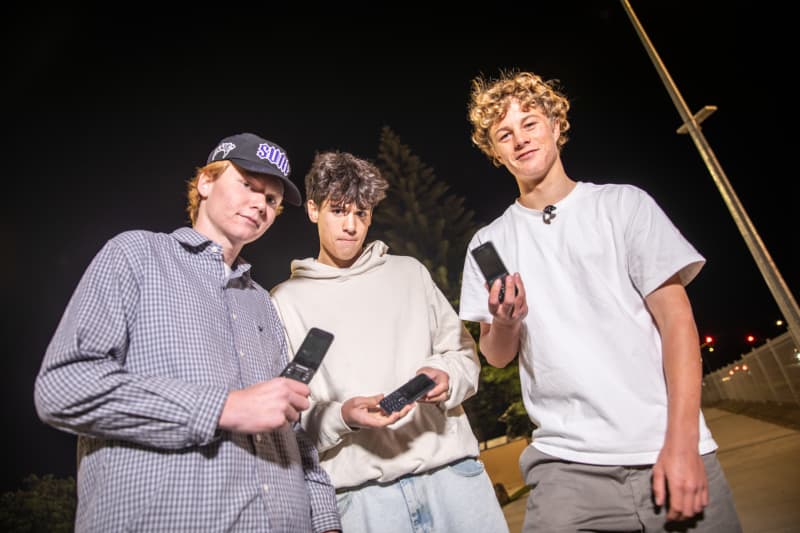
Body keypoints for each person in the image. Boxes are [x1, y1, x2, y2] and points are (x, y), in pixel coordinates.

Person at [458, 71, 742, 532]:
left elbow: (677, 323)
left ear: (554, 123)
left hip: (663, 444)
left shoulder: (623, 206)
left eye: (530, 123)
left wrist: (683, 442)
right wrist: (506, 321)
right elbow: (496, 355)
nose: (520, 140)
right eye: (504, 134)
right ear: (494, 151)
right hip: (564, 465)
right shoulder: (488, 243)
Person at [33, 132, 341, 533]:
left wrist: (325, 521)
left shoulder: (262, 301)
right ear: (206, 182)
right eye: (247, 185)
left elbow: (292, 428)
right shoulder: (136, 255)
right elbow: (62, 387)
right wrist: (221, 408)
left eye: (271, 200)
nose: (259, 204)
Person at [270, 150, 509, 533]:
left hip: (454, 479)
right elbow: (289, 417)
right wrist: (343, 415)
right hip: (362, 501)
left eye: (361, 213)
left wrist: (446, 375)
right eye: (339, 210)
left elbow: (464, 356)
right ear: (313, 210)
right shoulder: (284, 301)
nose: (351, 225)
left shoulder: (409, 273)